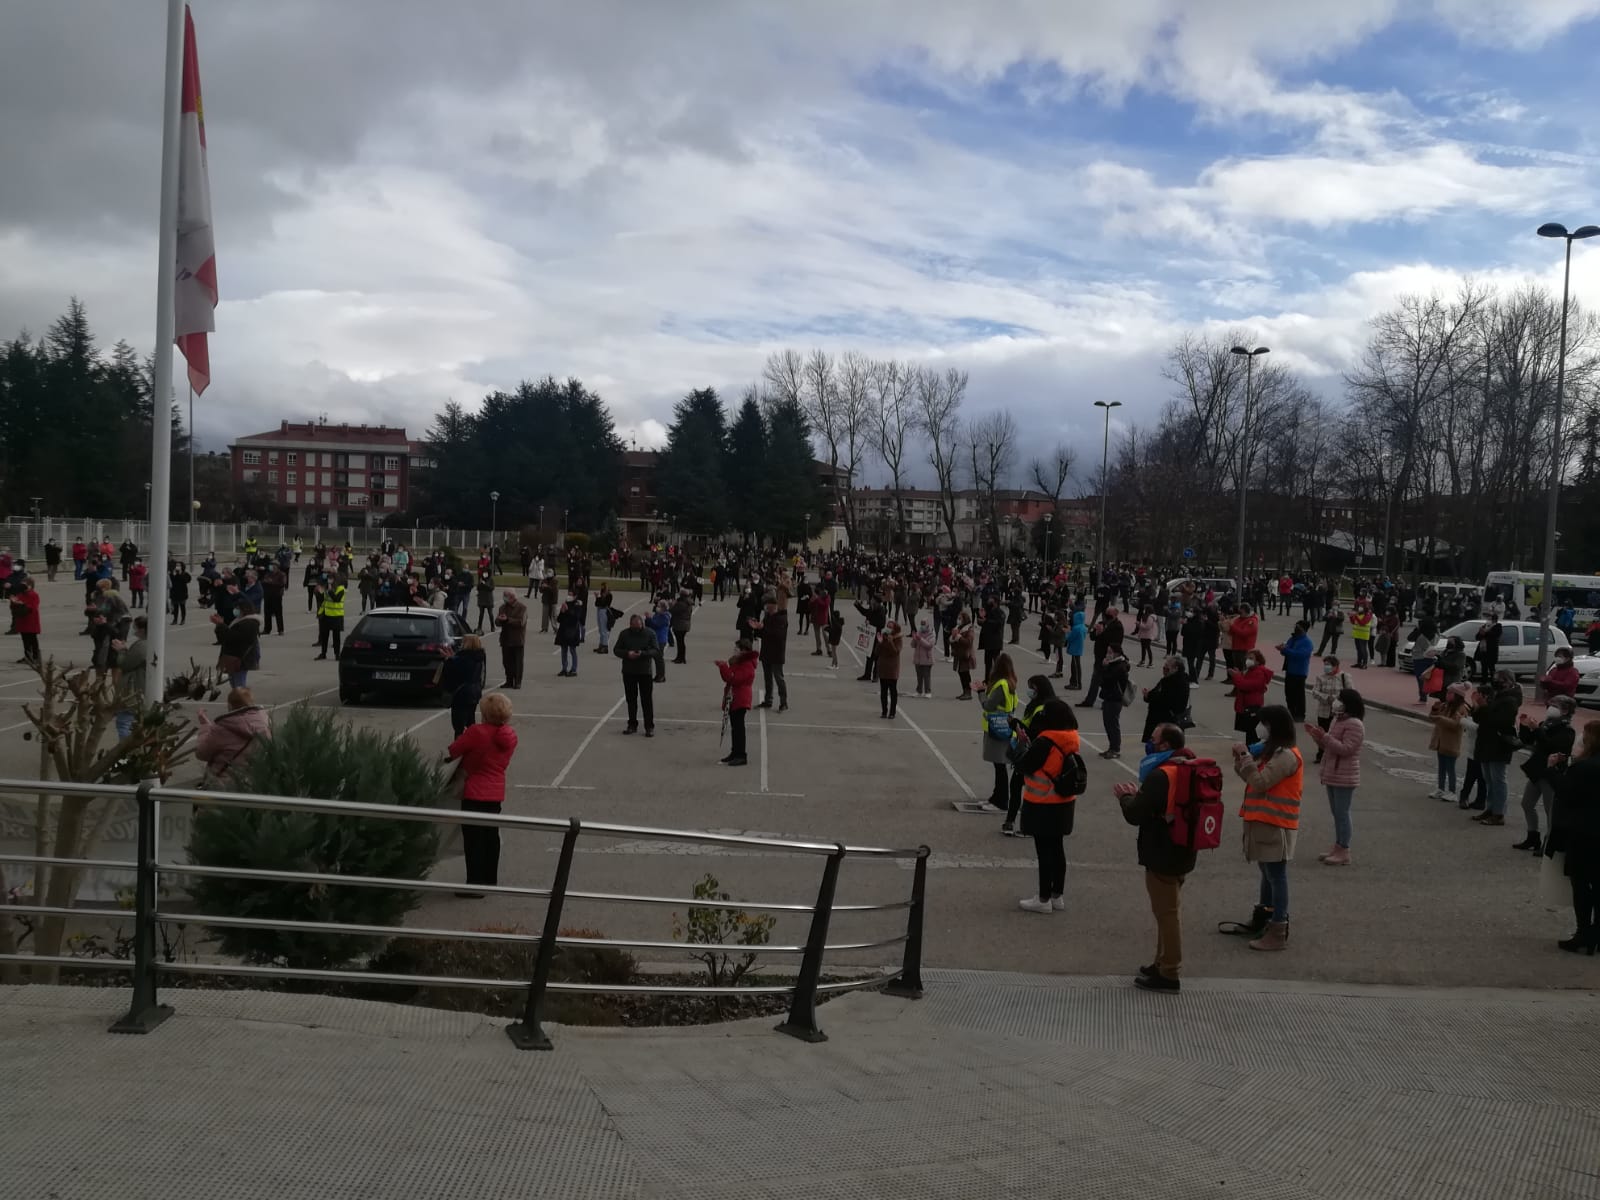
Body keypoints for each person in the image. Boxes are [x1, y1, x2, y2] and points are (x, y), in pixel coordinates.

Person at [1115, 722, 1199, 992]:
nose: (1149, 743)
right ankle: (1161, 962)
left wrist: (1126, 797)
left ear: (1164, 746)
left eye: (1154, 739)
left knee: (1167, 913)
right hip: (1184, 846)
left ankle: (1170, 971)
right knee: (1168, 909)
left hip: (1162, 850)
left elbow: (1135, 813)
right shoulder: (1190, 766)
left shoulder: (1161, 775)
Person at [1229, 705, 1303, 952]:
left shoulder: (1286, 756)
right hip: (1262, 822)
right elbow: (1252, 779)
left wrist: (1247, 760)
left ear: (1274, 726)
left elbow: (1260, 782)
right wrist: (1242, 761)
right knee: (1267, 872)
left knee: (1276, 875)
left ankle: (1278, 928)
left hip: (1277, 824)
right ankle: (1264, 915)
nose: (1259, 727)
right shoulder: (1272, 752)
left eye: (1263, 723)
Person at [1010, 698, 1080, 914]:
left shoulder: (1045, 741)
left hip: (1043, 802)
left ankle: (1043, 898)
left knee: (1044, 852)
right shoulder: (1070, 737)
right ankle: (1057, 894)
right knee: (1057, 849)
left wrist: (1021, 744)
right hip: (1064, 801)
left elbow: (1023, 764)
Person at [446, 692, 518, 895]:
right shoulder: (509, 736)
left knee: (473, 840)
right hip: (495, 790)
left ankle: (475, 883)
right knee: (490, 836)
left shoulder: (477, 732)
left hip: (475, 790)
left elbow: (453, 750)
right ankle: (489, 879)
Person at [1545, 721, 1600, 954]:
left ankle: (1584, 932)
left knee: (1580, 883)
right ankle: (1596, 933)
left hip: (1582, 832)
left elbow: (1566, 793)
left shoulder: (1583, 767)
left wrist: (1553, 769)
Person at [1305, 688, 1365, 866]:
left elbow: (1346, 749)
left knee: (1342, 813)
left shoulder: (1354, 724)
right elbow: (1329, 745)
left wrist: (1325, 737)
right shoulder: (1338, 720)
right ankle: (1338, 846)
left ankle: (1344, 850)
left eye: (1340, 699)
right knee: (1337, 813)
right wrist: (1318, 736)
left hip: (1345, 774)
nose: (1336, 702)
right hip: (1333, 772)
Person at [1512, 694, 1575, 854]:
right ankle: (1533, 836)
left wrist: (1537, 730)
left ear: (1566, 710)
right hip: (1537, 771)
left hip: (1551, 774)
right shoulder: (1545, 724)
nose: (1550, 707)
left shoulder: (1567, 730)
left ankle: (1548, 843)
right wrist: (1526, 726)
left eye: (1555, 705)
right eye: (1550, 704)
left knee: (1550, 811)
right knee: (1527, 804)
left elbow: (1551, 746)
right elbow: (1529, 741)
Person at [1468, 670, 1522, 828]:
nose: (1495, 682)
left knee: (1498, 780)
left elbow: (1500, 721)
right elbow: (1479, 719)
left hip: (1498, 745)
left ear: (1508, 682)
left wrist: (1484, 707)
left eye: (1499, 680)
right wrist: (1477, 706)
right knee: (1489, 780)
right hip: (1486, 742)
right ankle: (1490, 808)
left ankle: (1499, 813)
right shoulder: (1496, 696)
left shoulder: (1510, 700)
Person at [195, 687, 271, 784]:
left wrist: (205, 726)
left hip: (223, 784)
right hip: (253, 782)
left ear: (230, 705)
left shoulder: (222, 729)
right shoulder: (265, 722)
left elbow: (201, 753)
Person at [981, 652, 1020, 807]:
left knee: (999, 765)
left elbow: (989, 705)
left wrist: (980, 694)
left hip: (996, 726)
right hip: (1006, 725)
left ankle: (1001, 799)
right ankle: (997, 795)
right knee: (1000, 765)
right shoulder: (1011, 684)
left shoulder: (1001, 684)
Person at [613, 612, 660, 736]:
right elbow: (616, 650)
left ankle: (649, 726)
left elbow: (655, 650)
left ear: (642, 624)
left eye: (639, 626)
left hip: (645, 672)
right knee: (631, 700)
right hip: (629, 671)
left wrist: (643, 654)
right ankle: (632, 724)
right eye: (634, 627)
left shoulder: (650, 633)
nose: (637, 628)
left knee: (647, 700)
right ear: (630, 625)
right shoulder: (624, 634)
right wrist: (627, 654)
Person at [715, 638, 758, 766]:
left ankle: (741, 755)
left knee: (739, 728)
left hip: (740, 699)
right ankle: (735, 752)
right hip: (734, 698)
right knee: (735, 727)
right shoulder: (739, 662)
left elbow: (734, 679)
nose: (735, 650)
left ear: (743, 651)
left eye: (737, 649)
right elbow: (729, 678)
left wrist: (724, 667)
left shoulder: (747, 665)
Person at [111, 616, 150, 738]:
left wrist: (121, 651)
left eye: (136, 627)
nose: (134, 630)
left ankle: (125, 753)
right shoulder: (152, 643)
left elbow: (126, 664)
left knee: (124, 723)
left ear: (142, 629)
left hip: (134, 691)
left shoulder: (141, 645)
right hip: (143, 689)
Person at [442, 634, 488, 738]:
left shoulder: (463, 658)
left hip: (461, 694)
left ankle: (458, 750)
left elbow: (451, 675)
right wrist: (453, 658)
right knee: (470, 721)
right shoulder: (478, 657)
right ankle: (472, 746)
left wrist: (448, 661)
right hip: (474, 693)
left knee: (458, 725)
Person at [1428, 685, 1469, 803]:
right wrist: (1435, 709)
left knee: (1450, 768)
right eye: (1447, 693)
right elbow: (1432, 717)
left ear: (1457, 696)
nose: (1447, 695)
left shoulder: (1462, 708)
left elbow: (1456, 725)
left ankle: (1452, 791)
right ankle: (1440, 788)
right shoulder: (1445, 706)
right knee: (1441, 767)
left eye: (1450, 693)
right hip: (1440, 742)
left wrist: (1441, 718)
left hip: (1452, 743)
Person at [1227, 649, 1274, 745]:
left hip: (1253, 705)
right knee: (1249, 730)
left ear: (1258, 661)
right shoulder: (1250, 671)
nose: (1247, 660)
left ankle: (1253, 750)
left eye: (1251, 658)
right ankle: (1251, 748)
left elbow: (1246, 685)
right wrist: (1239, 674)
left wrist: (1237, 676)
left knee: (1252, 732)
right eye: (1247, 658)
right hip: (1247, 704)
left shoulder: (1259, 673)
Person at [750, 596, 788, 711]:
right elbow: (762, 635)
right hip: (766, 651)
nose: (765, 607)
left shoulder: (781, 618)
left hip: (776, 653)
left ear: (773, 606)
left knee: (778, 677)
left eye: (767, 605)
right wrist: (757, 628)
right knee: (767, 678)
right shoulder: (767, 617)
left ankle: (783, 702)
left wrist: (763, 628)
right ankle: (768, 700)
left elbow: (778, 635)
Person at [1310, 656, 1350, 764]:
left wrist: (1338, 699)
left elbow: (1351, 693)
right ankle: (1321, 754)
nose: (1326, 667)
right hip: (1324, 711)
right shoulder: (1321, 677)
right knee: (1322, 733)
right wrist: (1327, 697)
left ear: (1336, 666)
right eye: (1325, 664)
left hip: (1339, 712)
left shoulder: (1344, 677)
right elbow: (1314, 692)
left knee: (1336, 734)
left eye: (1328, 664)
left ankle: (1334, 754)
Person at [1140, 656, 1190, 743]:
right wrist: (1148, 695)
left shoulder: (1177, 682)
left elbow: (1165, 700)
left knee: (1163, 745)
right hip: (1159, 720)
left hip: (1166, 722)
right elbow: (1156, 693)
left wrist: (1150, 696)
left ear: (1176, 668)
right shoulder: (1166, 680)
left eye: (1167, 665)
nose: (1164, 668)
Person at [1276, 621, 1314, 722]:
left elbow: (1300, 655)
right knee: (1289, 693)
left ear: (1304, 629)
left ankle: (1300, 714)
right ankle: (1291, 711)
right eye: (1295, 626)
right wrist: (1282, 649)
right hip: (1289, 669)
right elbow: (1286, 650)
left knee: (1298, 694)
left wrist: (1286, 650)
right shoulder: (1292, 639)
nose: (1296, 628)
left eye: (1298, 627)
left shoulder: (1307, 642)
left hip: (1300, 671)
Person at [1098, 643, 1130, 760]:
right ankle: (1112, 747)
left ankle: (1115, 749)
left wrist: (1105, 667)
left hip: (1114, 699)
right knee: (1108, 723)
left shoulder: (1119, 666)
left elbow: (1107, 680)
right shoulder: (1115, 664)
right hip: (1109, 697)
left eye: (1110, 652)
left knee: (1112, 724)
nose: (1108, 654)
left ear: (1116, 653)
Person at [313, 575, 346, 660]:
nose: (329, 581)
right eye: (329, 579)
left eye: (331, 579)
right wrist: (317, 592)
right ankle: (323, 653)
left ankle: (337, 654)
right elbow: (322, 599)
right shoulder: (326, 587)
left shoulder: (341, 589)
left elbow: (336, 599)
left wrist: (330, 590)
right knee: (324, 635)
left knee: (336, 636)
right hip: (326, 615)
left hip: (336, 615)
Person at [10, 576, 40, 669]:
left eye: (26, 585)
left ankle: (36, 657)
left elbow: (33, 607)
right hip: (22, 620)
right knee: (25, 639)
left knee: (32, 639)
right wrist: (13, 602)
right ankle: (27, 656)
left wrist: (22, 604)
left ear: (31, 586)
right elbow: (13, 607)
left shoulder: (33, 595)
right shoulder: (20, 595)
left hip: (31, 620)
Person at [876, 620, 904, 719]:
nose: (888, 628)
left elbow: (895, 652)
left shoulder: (898, 639)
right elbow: (877, 652)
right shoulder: (883, 637)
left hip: (892, 669)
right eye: (887, 626)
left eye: (890, 627)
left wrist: (890, 641)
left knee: (893, 691)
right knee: (883, 692)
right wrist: (880, 643)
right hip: (883, 668)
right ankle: (884, 711)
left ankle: (892, 712)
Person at [554, 592, 584, 678]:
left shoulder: (577, 606)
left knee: (572, 650)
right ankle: (564, 668)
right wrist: (562, 612)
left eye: (571, 595)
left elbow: (575, 618)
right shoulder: (565, 604)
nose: (569, 596)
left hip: (572, 631)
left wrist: (567, 611)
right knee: (564, 650)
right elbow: (559, 619)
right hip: (563, 630)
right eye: (568, 594)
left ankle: (574, 669)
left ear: (575, 596)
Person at [950, 610, 977, 700]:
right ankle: (964, 691)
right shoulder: (958, 628)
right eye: (958, 618)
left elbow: (968, 642)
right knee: (961, 673)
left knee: (965, 674)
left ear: (964, 619)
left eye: (960, 618)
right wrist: (952, 638)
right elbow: (952, 641)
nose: (958, 620)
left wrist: (958, 637)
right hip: (958, 655)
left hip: (966, 655)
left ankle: (968, 692)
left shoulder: (969, 629)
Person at [911, 619, 936, 697]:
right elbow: (912, 645)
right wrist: (914, 639)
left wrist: (920, 639)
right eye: (921, 624)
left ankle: (928, 691)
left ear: (927, 625)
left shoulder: (931, 634)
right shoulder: (919, 633)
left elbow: (929, 645)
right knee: (919, 676)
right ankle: (919, 691)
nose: (922, 626)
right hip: (918, 658)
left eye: (924, 624)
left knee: (926, 676)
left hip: (927, 659)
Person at [1065, 609, 1087, 691]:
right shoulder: (1083, 627)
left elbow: (1070, 638)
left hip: (1075, 649)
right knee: (1075, 665)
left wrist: (1067, 632)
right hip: (1078, 648)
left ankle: (1077, 684)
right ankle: (1073, 682)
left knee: (1075, 667)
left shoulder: (1076, 628)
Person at [670, 590, 693, 665]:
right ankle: (680, 657)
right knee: (681, 641)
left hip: (680, 624)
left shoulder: (682, 603)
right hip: (685, 624)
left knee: (680, 642)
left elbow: (673, 611)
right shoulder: (688, 602)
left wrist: (672, 605)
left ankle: (680, 658)